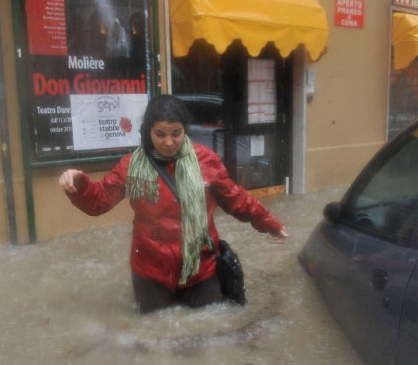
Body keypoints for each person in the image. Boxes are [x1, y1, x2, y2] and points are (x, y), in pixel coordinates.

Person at [59, 94, 288, 313]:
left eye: (176, 133)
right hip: (150, 274)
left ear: (185, 130)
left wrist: (269, 222)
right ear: (148, 132)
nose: (169, 142)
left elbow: (236, 199)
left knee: (211, 333)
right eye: (160, 134)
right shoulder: (131, 167)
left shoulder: (206, 161)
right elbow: (99, 202)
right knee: (153, 339)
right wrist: (78, 184)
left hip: (201, 270)